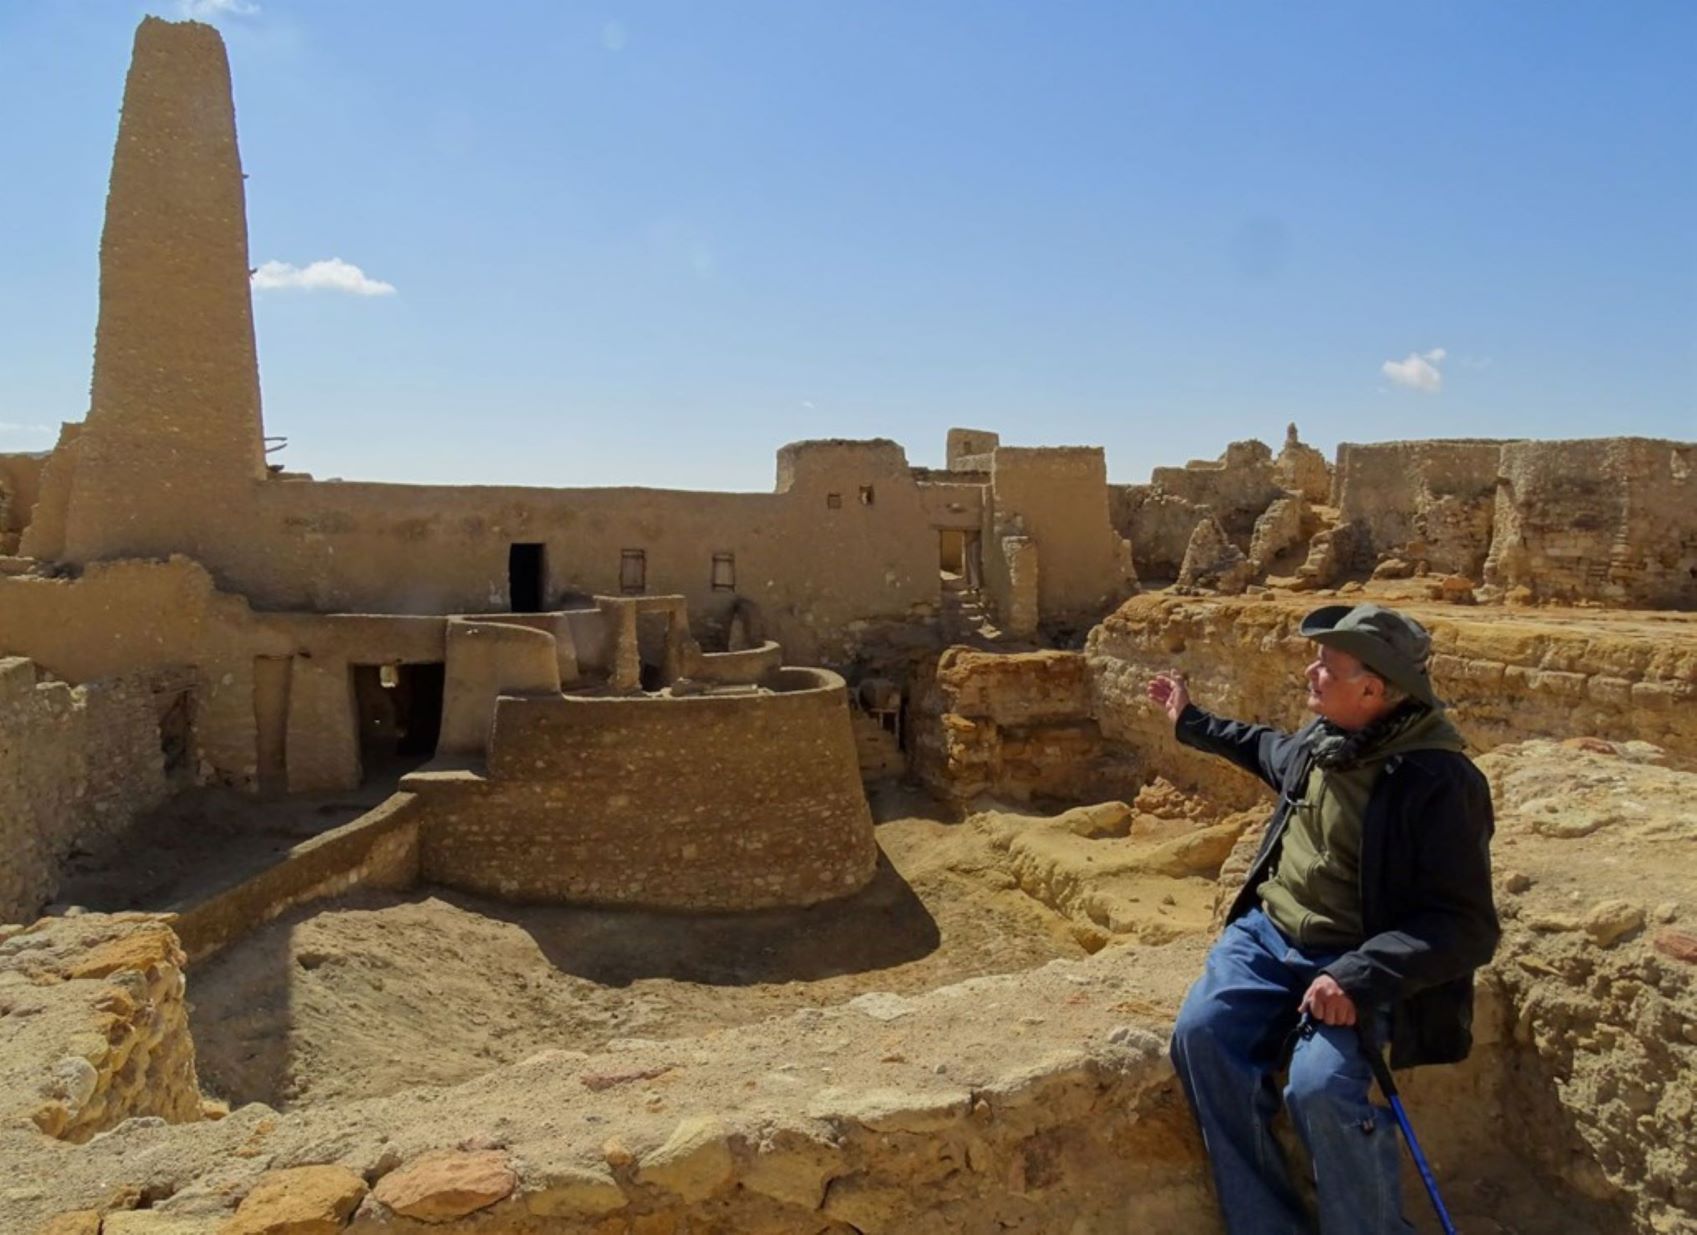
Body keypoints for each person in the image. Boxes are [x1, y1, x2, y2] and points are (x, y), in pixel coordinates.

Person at [1147, 603, 1498, 1235]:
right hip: (1268, 936)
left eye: (1326, 666)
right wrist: (1189, 721)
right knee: (1202, 1036)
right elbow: (1266, 750)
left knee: (1319, 1089)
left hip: (1350, 962)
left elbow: (1466, 925)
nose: (1311, 672)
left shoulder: (1438, 781)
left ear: (1373, 688)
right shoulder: (1326, 742)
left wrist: (1360, 977)